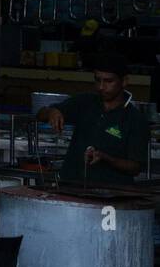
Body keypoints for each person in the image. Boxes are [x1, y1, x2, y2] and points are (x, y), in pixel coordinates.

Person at [36, 52, 146, 186]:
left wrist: (106, 158)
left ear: (124, 81)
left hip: (111, 195)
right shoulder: (84, 102)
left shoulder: (135, 118)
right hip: (70, 187)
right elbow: (39, 115)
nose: (101, 86)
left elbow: (135, 167)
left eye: (108, 81)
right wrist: (51, 112)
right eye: (98, 80)